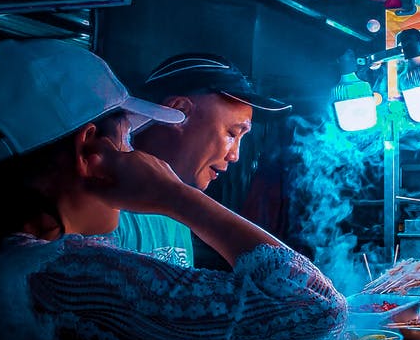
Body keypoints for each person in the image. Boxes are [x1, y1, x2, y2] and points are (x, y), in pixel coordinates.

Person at [0, 39, 347, 340]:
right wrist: (173, 195)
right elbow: (313, 305)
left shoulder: (21, 263)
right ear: (87, 152)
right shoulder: (64, 279)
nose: (135, 154)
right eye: (126, 139)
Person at [113, 53, 291, 269]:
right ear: (178, 110)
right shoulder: (106, 205)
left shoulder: (177, 211)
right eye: (232, 134)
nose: (234, 156)